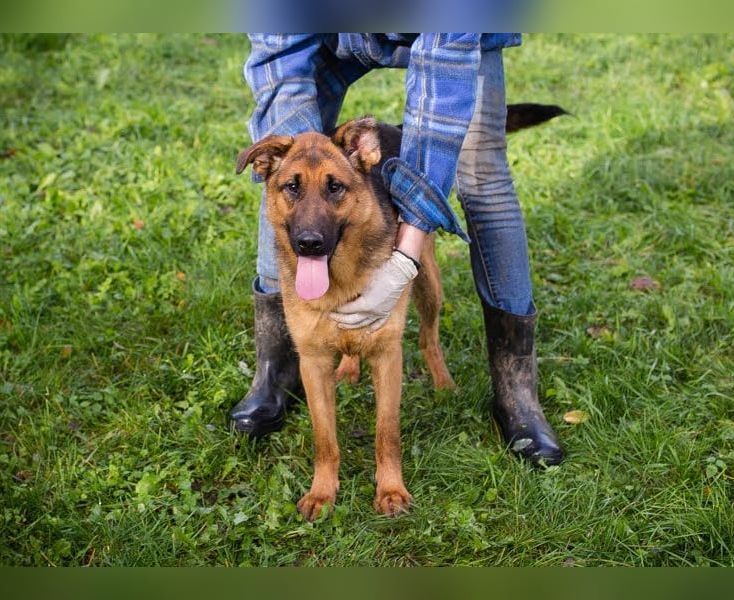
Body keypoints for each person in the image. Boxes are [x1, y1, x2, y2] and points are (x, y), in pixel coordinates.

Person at [229, 34, 563, 466]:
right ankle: (276, 369)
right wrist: (291, 157)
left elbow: (443, 85)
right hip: (329, 32)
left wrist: (405, 258)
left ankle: (516, 390)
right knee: (295, 176)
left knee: (483, 175)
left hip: (447, 37)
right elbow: (279, 57)